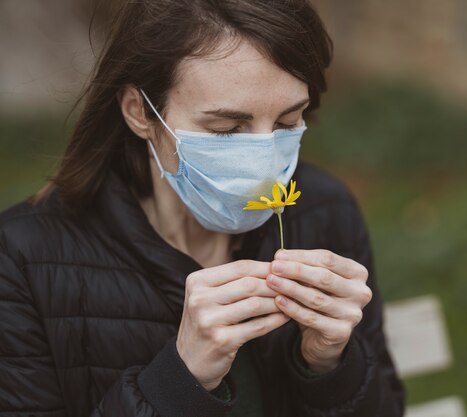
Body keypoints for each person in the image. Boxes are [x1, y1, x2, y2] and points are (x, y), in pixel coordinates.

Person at [0, 0, 405, 416]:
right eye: (226, 130)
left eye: (286, 123)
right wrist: (180, 379)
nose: (263, 161)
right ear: (139, 112)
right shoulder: (21, 261)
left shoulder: (325, 211)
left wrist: (332, 365)